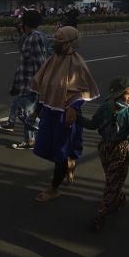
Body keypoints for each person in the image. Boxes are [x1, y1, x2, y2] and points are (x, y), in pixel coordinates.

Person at [28, 26, 100, 202]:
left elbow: (82, 90)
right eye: (55, 38)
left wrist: (72, 108)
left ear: (70, 43)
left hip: (65, 114)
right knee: (51, 148)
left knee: (61, 151)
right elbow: (45, 89)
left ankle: (54, 188)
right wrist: (37, 110)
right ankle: (69, 162)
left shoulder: (77, 64)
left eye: (60, 39)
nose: (55, 42)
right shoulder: (53, 60)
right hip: (50, 112)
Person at [77, 77, 129, 232]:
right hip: (107, 148)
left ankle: (110, 207)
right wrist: (76, 114)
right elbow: (92, 124)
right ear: (117, 94)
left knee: (113, 180)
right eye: (127, 93)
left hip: (119, 148)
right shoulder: (106, 108)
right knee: (112, 180)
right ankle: (110, 206)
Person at [0, 10, 48, 150]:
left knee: (24, 113)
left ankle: (42, 133)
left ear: (26, 22)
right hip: (24, 82)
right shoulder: (28, 36)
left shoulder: (36, 37)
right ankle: (33, 138)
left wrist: (41, 85)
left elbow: (40, 62)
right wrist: (21, 30)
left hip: (31, 83)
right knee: (22, 112)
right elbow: (21, 47)